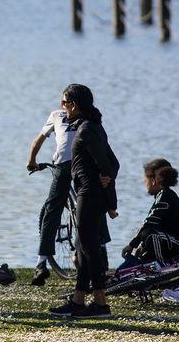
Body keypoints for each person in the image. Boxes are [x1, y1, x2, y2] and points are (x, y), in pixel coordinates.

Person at [50, 84, 118, 320]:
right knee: (82, 247)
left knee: (89, 250)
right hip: (90, 194)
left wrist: (105, 180)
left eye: (64, 103)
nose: (62, 107)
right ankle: (78, 301)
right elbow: (113, 164)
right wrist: (107, 179)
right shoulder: (93, 127)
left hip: (89, 195)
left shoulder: (87, 130)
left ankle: (100, 303)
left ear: (74, 105)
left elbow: (110, 165)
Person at [27, 104, 112, 286]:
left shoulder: (56, 115)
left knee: (52, 208)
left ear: (68, 104)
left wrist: (31, 162)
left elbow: (37, 142)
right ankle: (103, 252)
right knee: (95, 204)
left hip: (64, 164)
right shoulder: (90, 119)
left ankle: (41, 263)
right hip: (86, 164)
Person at [120, 159, 179, 267]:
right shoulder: (164, 196)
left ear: (153, 180)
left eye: (145, 180)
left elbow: (149, 222)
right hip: (169, 241)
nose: (145, 183)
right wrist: (142, 245)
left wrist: (132, 245)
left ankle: (163, 267)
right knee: (147, 238)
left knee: (149, 234)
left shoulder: (165, 197)